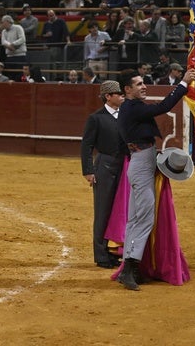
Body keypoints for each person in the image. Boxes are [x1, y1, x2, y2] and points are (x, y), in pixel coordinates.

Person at [115, 67, 195, 291]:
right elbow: (163, 107)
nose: (144, 87)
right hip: (142, 162)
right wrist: (183, 84)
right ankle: (130, 270)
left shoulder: (129, 108)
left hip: (141, 159)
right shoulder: (132, 107)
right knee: (144, 219)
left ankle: (130, 268)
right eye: (139, 84)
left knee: (136, 217)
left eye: (144, 83)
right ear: (128, 89)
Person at [81, 80, 128, 269]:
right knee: (102, 211)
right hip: (105, 165)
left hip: (123, 166)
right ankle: (101, 255)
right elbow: (86, 145)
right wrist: (88, 171)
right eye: (118, 93)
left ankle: (113, 251)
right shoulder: (96, 118)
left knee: (119, 210)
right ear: (108, 96)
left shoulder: (125, 115)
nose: (122, 96)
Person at [1, 14, 28, 81]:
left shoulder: (18, 27)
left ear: (7, 21)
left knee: (20, 75)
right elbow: (3, 41)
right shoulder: (4, 31)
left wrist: (13, 44)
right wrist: (9, 45)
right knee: (10, 75)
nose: (2, 24)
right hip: (9, 56)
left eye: (3, 22)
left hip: (20, 56)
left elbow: (22, 39)